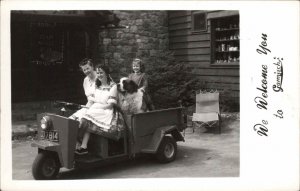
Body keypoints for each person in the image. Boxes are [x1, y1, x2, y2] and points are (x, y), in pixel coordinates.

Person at [75, 64, 118, 155]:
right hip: (95, 108)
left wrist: (97, 107)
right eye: (98, 73)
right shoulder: (96, 84)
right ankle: (81, 144)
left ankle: (81, 144)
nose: (99, 75)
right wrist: (86, 107)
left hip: (106, 111)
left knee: (86, 118)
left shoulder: (113, 86)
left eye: (101, 72)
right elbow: (92, 101)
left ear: (106, 73)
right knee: (78, 115)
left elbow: (110, 105)